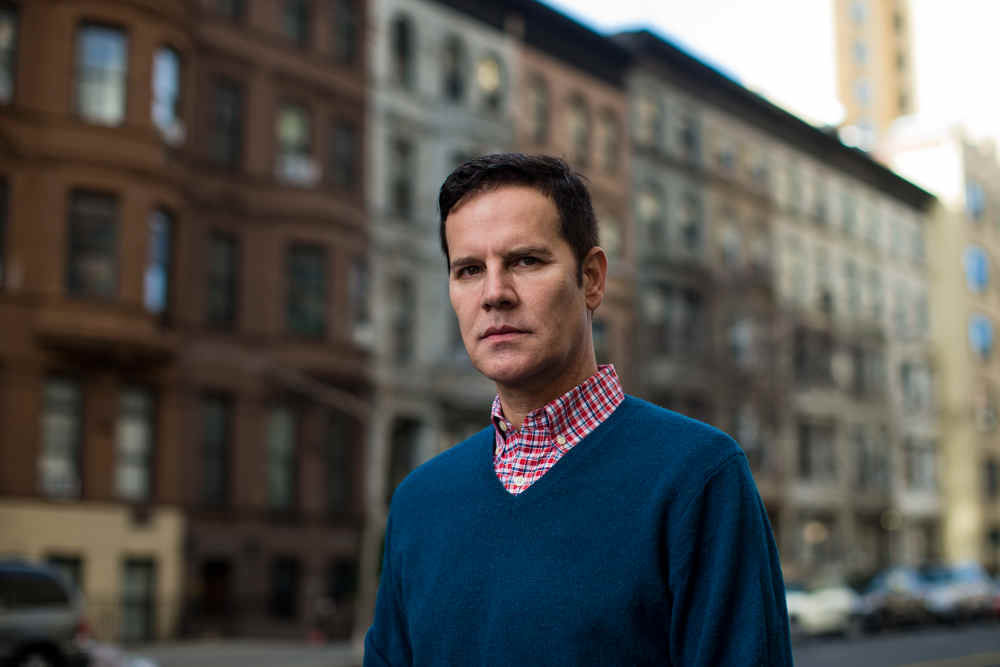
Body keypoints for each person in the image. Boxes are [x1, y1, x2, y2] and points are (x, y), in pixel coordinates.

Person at [364, 153, 792, 666]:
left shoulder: (698, 478)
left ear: (591, 279)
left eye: (526, 261)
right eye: (470, 270)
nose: (494, 294)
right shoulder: (418, 503)